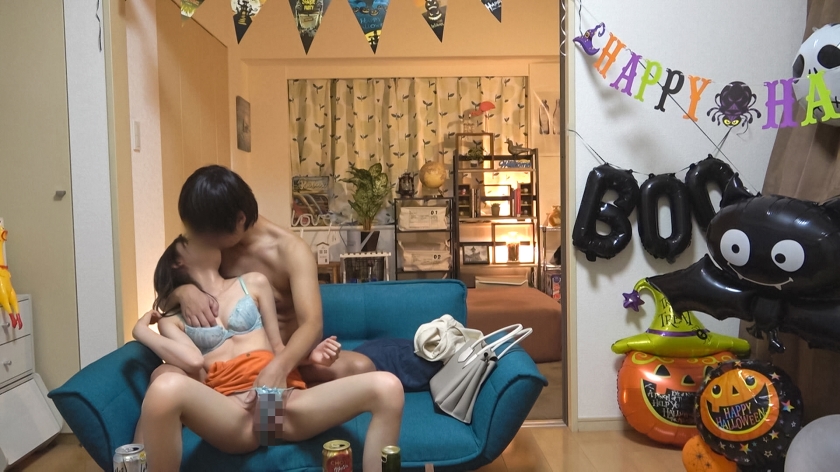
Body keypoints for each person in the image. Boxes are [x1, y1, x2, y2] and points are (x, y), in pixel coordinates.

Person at [133, 235, 403, 471]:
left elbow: (278, 349)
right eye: (189, 240)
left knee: (388, 387)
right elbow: (193, 362)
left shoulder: (253, 282)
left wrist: (309, 357)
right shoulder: (173, 319)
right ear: (177, 262)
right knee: (164, 386)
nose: (203, 237)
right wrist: (142, 331)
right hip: (233, 412)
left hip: (277, 405)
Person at [165, 165, 375, 388]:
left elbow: (312, 325)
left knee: (362, 367)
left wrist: (278, 367)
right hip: (225, 366)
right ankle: (274, 399)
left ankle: (279, 398)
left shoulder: (291, 251)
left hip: (284, 358)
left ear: (239, 220)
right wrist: (183, 293)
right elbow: (163, 307)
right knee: (164, 374)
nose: (200, 241)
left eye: (207, 235)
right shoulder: (208, 250)